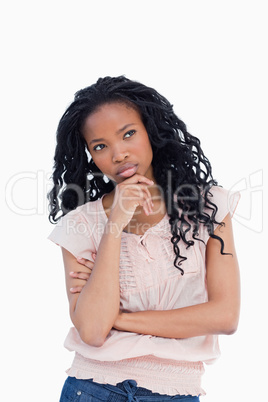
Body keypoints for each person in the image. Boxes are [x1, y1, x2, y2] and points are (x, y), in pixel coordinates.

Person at [48, 76, 240, 401]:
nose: (119, 154)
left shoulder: (208, 207)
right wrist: (114, 226)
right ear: (90, 155)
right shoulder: (81, 224)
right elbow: (94, 332)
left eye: (128, 134)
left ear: (151, 129)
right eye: (100, 146)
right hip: (92, 388)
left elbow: (225, 316)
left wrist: (119, 319)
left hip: (174, 391)